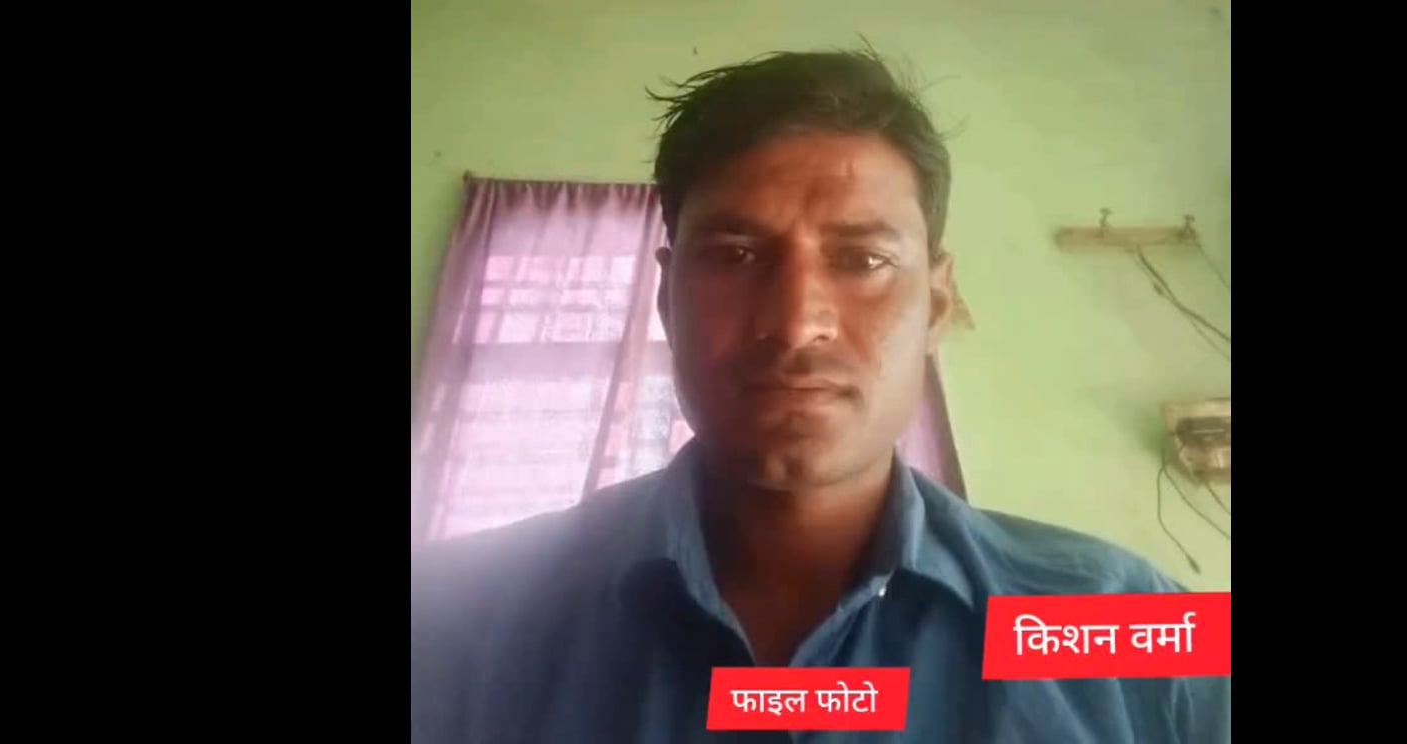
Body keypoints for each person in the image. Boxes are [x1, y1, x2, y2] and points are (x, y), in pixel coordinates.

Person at [411, 48, 1230, 743]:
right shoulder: (458, 622)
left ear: (936, 305)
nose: (797, 324)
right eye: (735, 255)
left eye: (863, 260)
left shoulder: (1124, 621)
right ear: (665, 299)